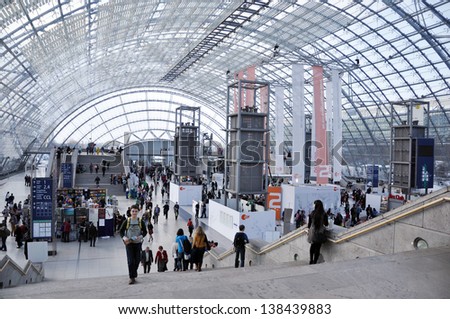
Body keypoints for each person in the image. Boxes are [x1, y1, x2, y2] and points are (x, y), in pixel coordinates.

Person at [119, 205, 147, 284]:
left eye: (136, 211)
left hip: (137, 244)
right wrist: (124, 238)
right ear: (130, 212)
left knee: (137, 260)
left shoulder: (140, 221)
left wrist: (140, 237)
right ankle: (132, 277)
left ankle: (134, 272)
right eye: (133, 211)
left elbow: (145, 231)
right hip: (129, 244)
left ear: (138, 212)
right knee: (131, 261)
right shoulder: (127, 221)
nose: (134, 213)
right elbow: (121, 231)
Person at [307, 200, 329, 264]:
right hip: (320, 232)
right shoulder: (324, 214)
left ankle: (311, 260)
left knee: (312, 246)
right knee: (318, 248)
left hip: (312, 232)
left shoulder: (312, 213)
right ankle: (315, 261)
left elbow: (309, 224)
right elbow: (326, 224)